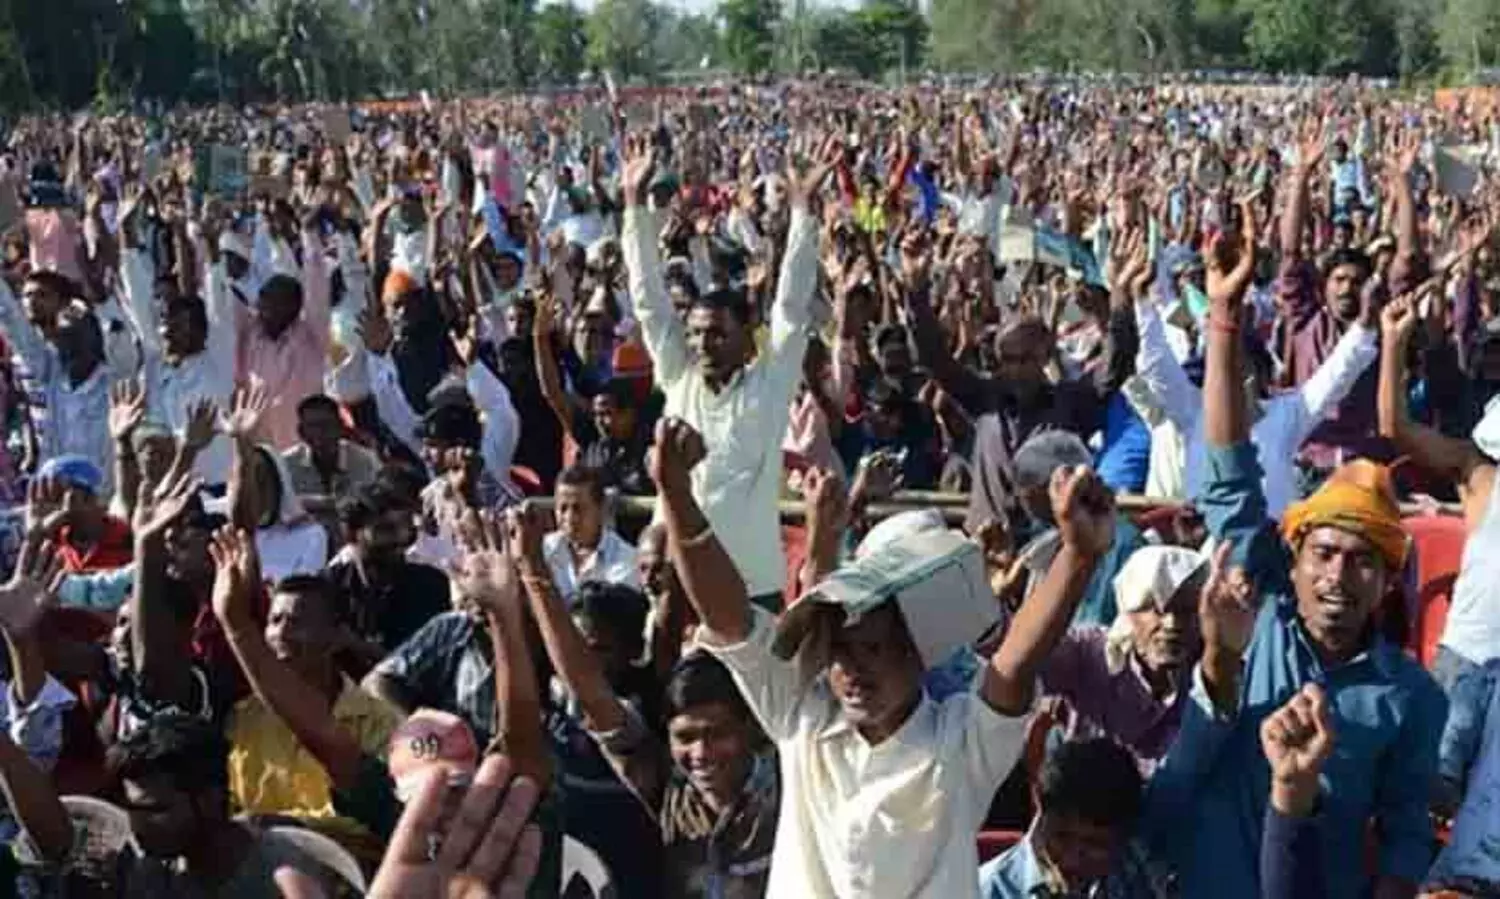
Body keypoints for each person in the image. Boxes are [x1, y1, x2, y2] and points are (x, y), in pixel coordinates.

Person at [649, 414, 1117, 898]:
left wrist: (1077, 555)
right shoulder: (802, 714)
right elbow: (730, 619)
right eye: (840, 652)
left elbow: (1012, 667)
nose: (852, 669)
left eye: (872, 649)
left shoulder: (960, 744)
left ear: (916, 653)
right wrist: (677, 494)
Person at [1148, 198, 1446, 899]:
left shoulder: (1412, 698)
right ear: (1298, 558)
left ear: (1386, 581)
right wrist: (1225, 318)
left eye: (1361, 560)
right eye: (1325, 553)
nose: (1338, 574)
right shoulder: (1260, 612)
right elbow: (1229, 473)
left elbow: (1406, 833)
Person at [619, 136, 833, 610]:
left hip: (753, 589)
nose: (702, 345)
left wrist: (802, 212)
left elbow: (791, 306)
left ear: (747, 338)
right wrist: (633, 206)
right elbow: (649, 301)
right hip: (679, 587)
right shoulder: (678, 380)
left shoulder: (769, 387)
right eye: (696, 334)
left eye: (716, 334)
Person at [223, 570, 403, 858]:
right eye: (275, 621)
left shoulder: (380, 721)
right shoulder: (245, 717)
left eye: (296, 623)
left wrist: (284, 828)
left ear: (337, 637)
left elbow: (372, 824)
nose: (281, 634)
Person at [979, 738, 1164, 898]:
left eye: (1095, 844)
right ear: (1038, 805)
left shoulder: (1144, 875)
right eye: (1061, 837)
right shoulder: (983, 891)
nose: (1071, 861)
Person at [326, 476, 451, 679]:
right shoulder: (328, 589)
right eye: (385, 530)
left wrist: (357, 645)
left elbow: (424, 670)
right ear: (350, 533)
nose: (399, 540)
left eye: (404, 528)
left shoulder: (430, 586)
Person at [543, 465, 639, 603]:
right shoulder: (542, 550)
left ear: (601, 508)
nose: (570, 518)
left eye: (578, 509)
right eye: (563, 508)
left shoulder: (627, 560)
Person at [281, 394, 382, 512]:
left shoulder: (365, 460)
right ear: (301, 432)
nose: (319, 432)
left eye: (326, 425)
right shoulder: (286, 465)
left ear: (340, 427)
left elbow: (377, 500)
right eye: (312, 426)